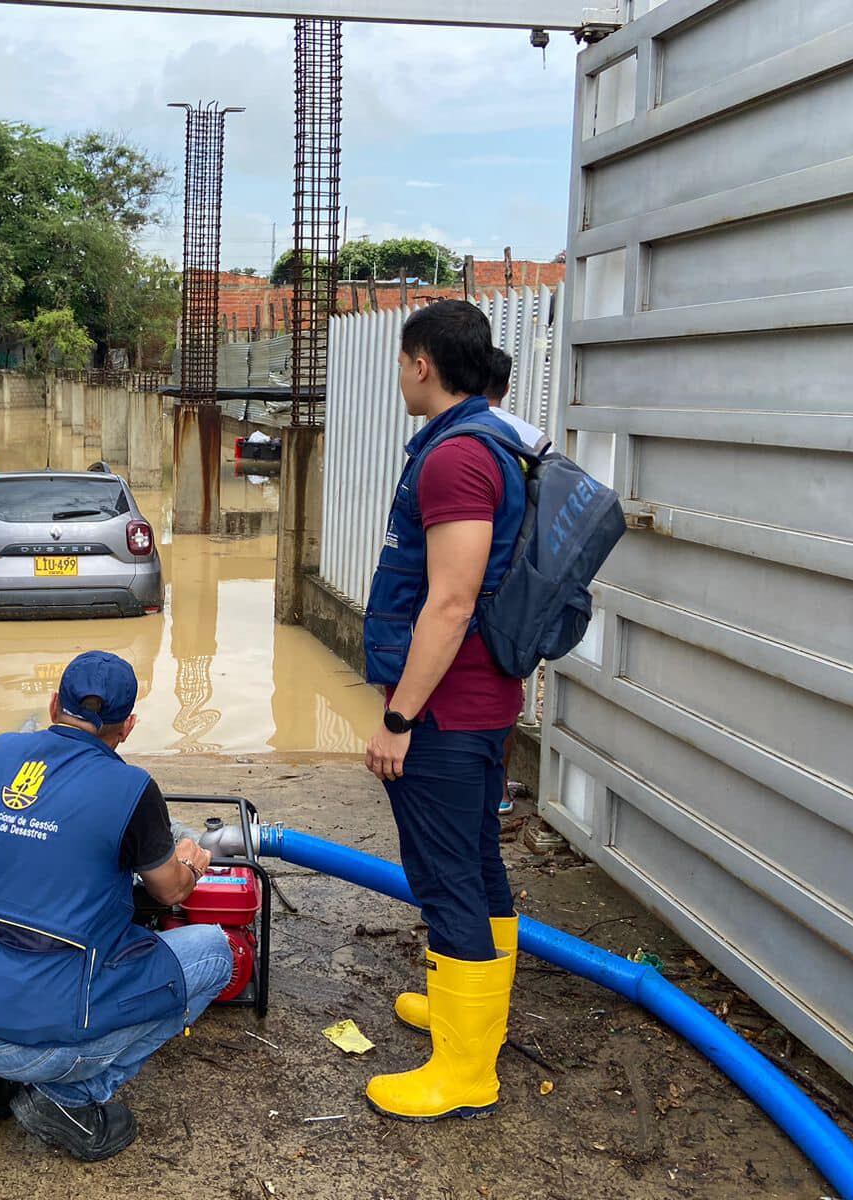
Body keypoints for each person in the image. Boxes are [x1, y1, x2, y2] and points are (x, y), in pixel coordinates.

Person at [0, 651, 234, 1162]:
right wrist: (191, 862)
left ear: (53, 706)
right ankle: (66, 1098)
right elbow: (169, 892)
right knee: (216, 954)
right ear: (127, 728)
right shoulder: (131, 789)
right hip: (30, 1036)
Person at [359, 301, 528, 1120]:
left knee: (446, 875)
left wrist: (400, 719)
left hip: (447, 714)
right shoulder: (488, 439)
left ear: (421, 363)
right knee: (476, 861)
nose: (399, 376)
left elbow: (452, 601)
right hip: (479, 702)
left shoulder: (455, 458)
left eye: (401, 363)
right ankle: (470, 1019)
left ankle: (464, 1071)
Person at [482, 347, 546, 818]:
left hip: (474, 584)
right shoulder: (530, 438)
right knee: (506, 690)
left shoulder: (456, 435)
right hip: (518, 586)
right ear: (506, 386)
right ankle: (499, 788)